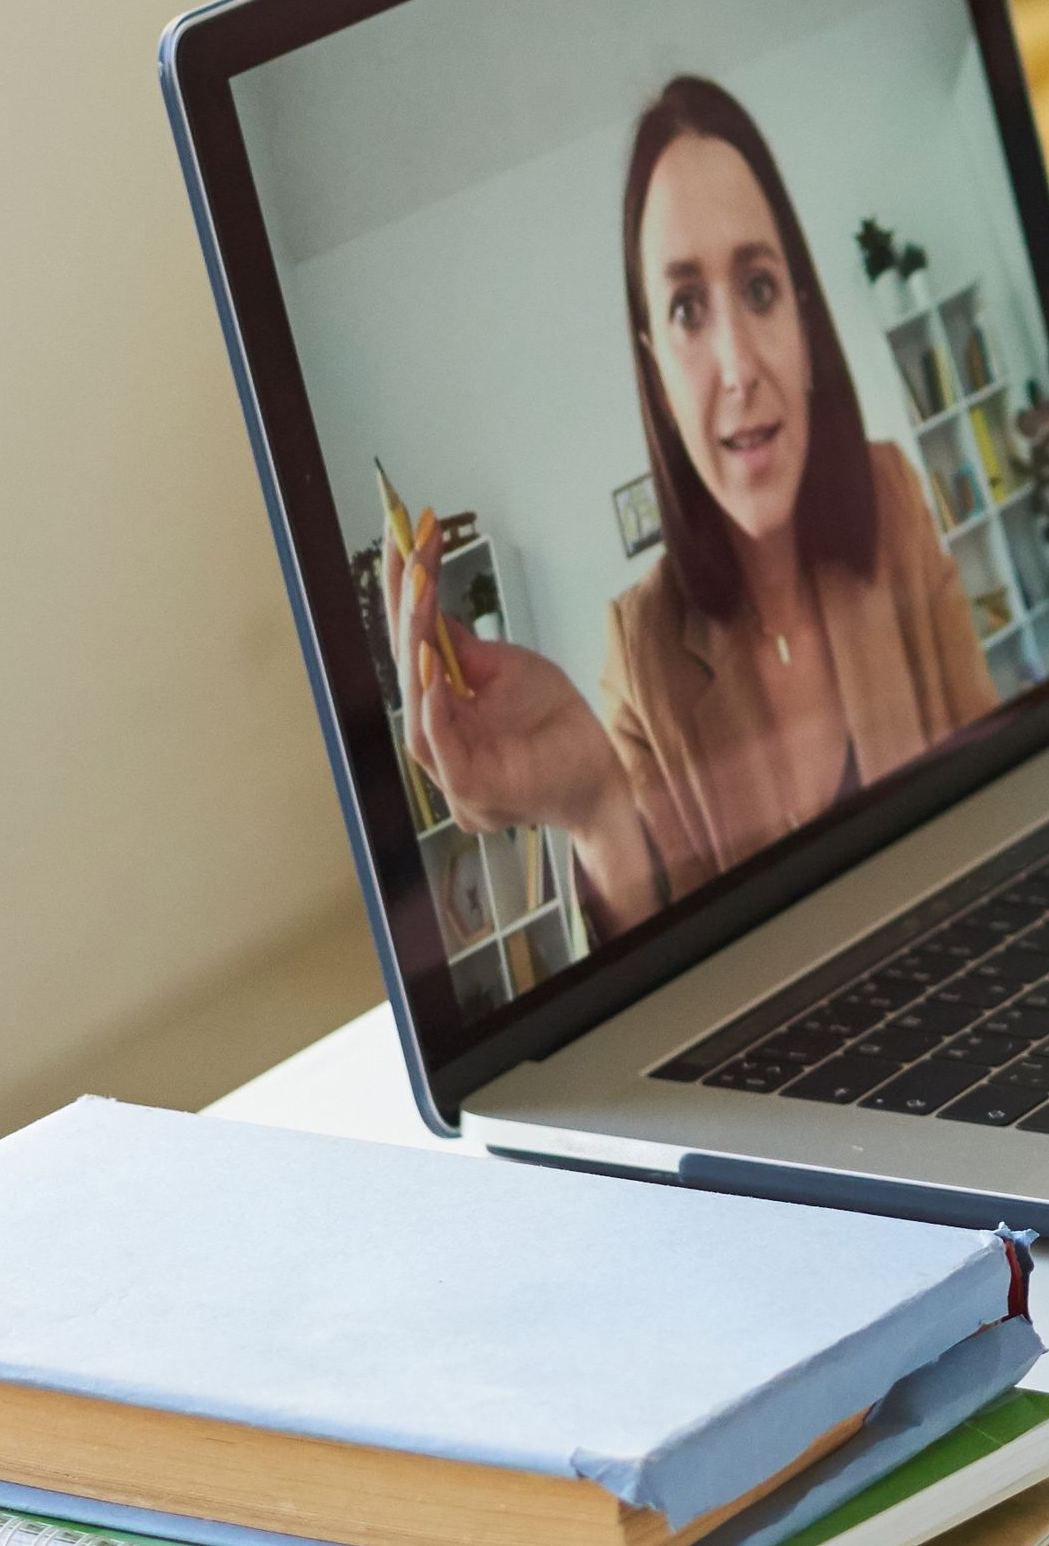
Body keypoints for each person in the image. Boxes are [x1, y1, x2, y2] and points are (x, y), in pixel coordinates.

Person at [393, 72, 1000, 926]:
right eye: (685, 308)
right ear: (656, 369)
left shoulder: (893, 499)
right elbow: (659, 965)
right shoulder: (642, 653)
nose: (739, 364)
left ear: (803, 312)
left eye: (759, 289)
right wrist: (593, 810)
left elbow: (1006, 776)